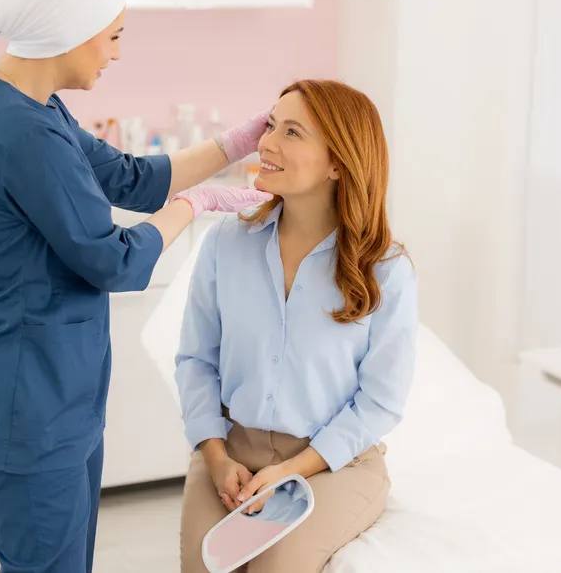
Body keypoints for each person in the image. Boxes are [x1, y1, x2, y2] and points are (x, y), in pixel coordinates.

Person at [0, 0, 272, 573]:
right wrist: (198, 204)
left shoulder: (24, 105)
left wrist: (233, 143)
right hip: (22, 405)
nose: (117, 52)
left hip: (53, 398)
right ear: (69, 33)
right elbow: (113, 261)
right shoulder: (21, 131)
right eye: (113, 36)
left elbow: (132, 179)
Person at [175, 79, 418, 572]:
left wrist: (291, 469)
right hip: (230, 452)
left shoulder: (384, 269)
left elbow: (380, 401)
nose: (265, 143)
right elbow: (196, 360)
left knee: (275, 565)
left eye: (291, 132)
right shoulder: (227, 243)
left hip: (331, 462)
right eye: (270, 125)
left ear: (337, 162)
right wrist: (217, 457)